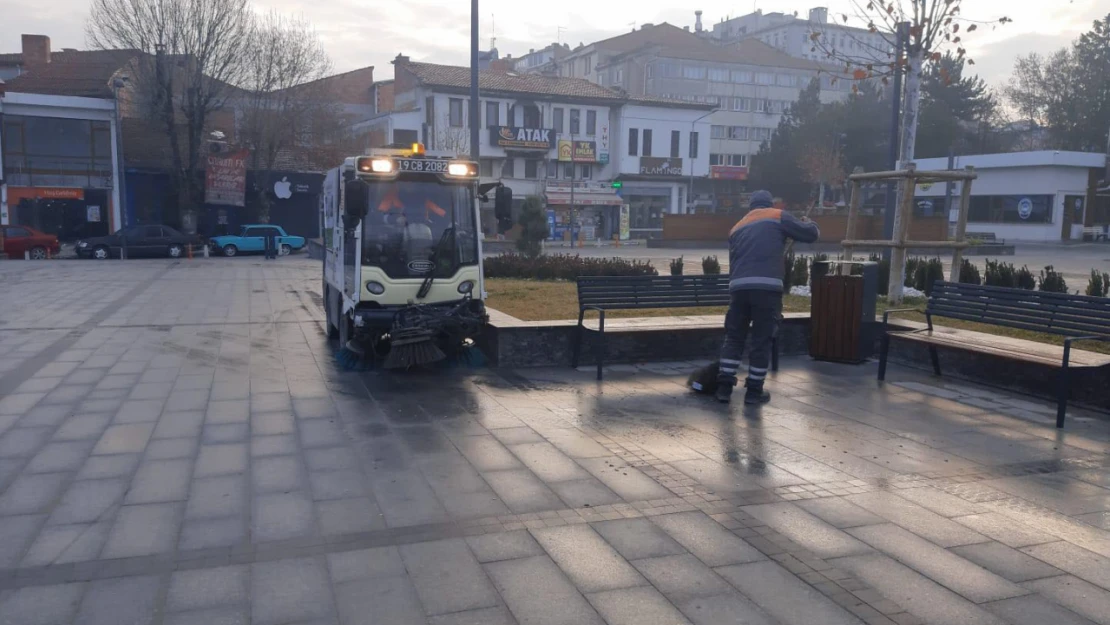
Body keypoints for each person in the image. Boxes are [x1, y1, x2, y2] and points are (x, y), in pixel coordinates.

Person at [717, 190, 819, 404]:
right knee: (761, 339)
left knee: (734, 337)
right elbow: (810, 235)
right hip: (766, 288)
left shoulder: (737, 227)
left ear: (751, 207)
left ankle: (724, 388)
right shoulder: (777, 215)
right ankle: (754, 392)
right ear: (769, 203)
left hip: (738, 288)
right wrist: (810, 222)